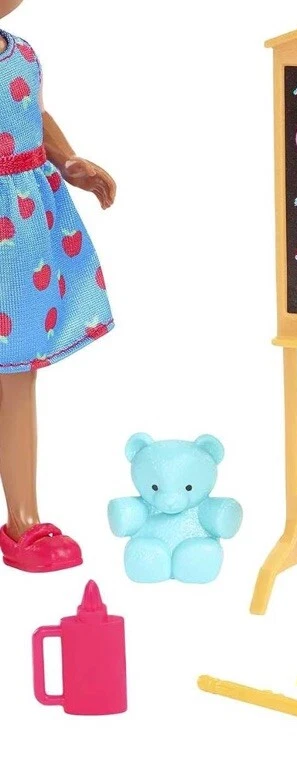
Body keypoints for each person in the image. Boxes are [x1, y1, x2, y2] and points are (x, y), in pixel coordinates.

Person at [0, 0, 116, 571]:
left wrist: (69, 161)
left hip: (22, 235)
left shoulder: (21, 54)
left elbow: (34, 116)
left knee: (17, 372)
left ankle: (22, 518)